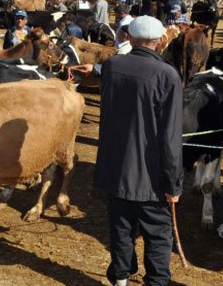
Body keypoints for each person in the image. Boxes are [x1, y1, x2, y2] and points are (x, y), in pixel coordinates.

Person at [73, 16, 182, 286]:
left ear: (129, 38)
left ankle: (120, 279)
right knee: (158, 234)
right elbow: (170, 139)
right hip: (151, 177)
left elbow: (107, 69)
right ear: (159, 42)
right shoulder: (167, 75)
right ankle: (156, 281)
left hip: (116, 169)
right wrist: (174, 184)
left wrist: (94, 68)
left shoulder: (112, 65)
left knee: (121, 227)